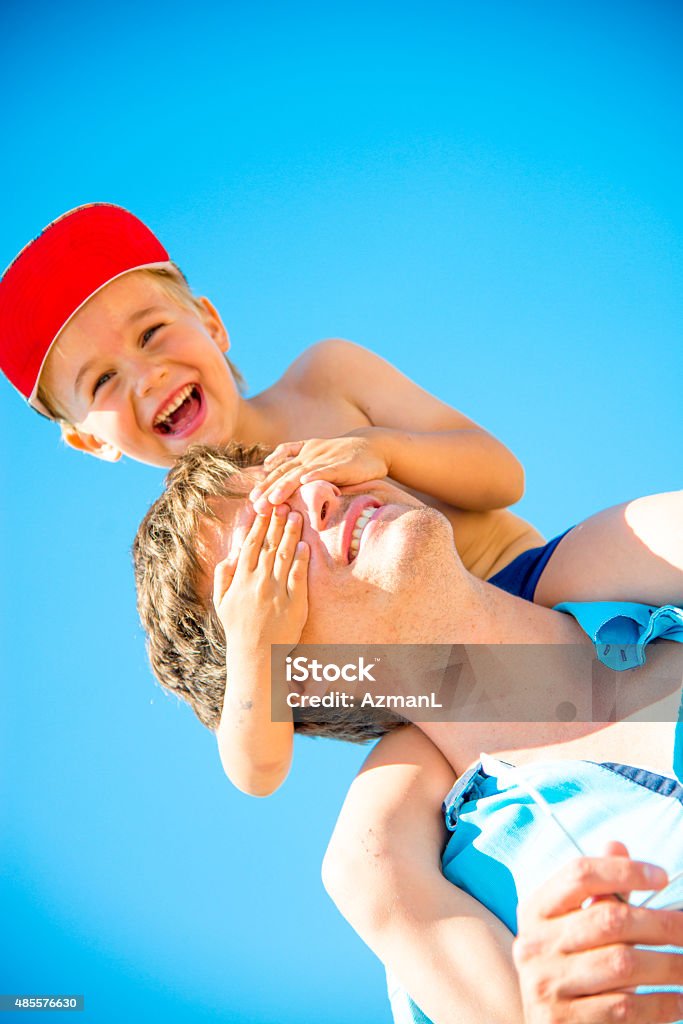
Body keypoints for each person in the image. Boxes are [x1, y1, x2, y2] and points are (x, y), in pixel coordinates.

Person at [2, 204, 682, 797]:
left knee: (634, 539)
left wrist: (380, 449)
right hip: (431, 703)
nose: (147, 376)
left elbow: (502, 477)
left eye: (151, 333)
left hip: (529, 586)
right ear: (91, 442)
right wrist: (253, 639)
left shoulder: (325, 381)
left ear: (210, 322)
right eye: (103, 380)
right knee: (372, 853)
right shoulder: (201, 556)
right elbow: (256, 772)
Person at [133, 443, 683, 1024]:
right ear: (288, 677)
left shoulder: (631, 566)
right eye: (272, 541)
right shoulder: (451, 899)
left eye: (302, 475)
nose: (323, 491)